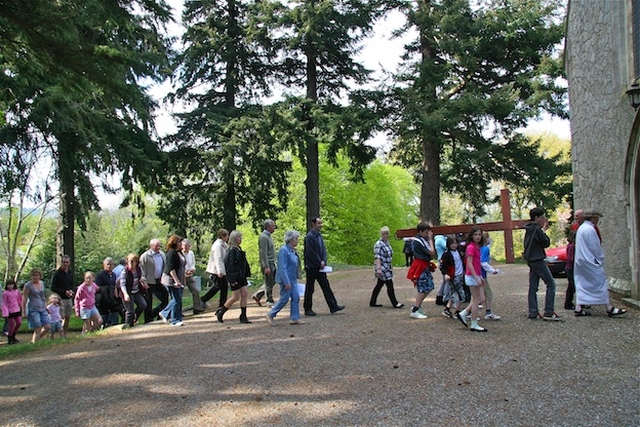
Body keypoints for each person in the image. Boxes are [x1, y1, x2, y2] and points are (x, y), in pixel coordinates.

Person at [573, 210, 627, 317]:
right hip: (590, 260)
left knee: (582, 283)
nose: (597, 220)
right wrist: (600, 258)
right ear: (593, 218)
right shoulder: (590, 229)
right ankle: (609, 308)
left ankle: (579, 307)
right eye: (596, 218)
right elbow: (595, 247)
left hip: (581, 261)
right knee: (600, 282)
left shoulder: (581, 228)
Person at [523, 207, 560, 320]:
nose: (544, 219)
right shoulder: (536, 229)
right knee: (551, 284)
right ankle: (549, 311)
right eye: (542, 217)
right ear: (536, 218)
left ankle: (533, 311)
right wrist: (544, 231)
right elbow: (545, 243)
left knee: (533, 287)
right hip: (538, 259)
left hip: (531, 260)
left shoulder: (529, 229)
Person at [303, 217, 345, 316]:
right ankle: (307, 309)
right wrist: (319, 262)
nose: (321, 225)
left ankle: (333, 306)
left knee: (325, 286)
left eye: (321, 223)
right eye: (319, 223)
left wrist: (324, 261)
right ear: (313, 224)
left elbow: (323, 250)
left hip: (320, 267)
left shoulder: (319, 236)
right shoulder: (309, 237)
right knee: (310, 288)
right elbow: (310, 252)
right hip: (312, 267)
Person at [266, 230, 305, 326]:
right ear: (290, 240)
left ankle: (294, 318)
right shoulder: (283, 250)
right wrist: (286, 282)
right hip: (286, 279)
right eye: (296, 239)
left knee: (296, 297)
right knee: (284, 298)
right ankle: (271, 314)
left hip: (293, 279)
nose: (297, 241)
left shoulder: (292, 250)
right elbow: (282, 268)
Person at [454, 226, 488, 332]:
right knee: (477, 299)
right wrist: (476, 277)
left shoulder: (477, 247)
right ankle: (474, 323)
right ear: (471, 236)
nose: (478, 236)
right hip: (472, 276)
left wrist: (480, 276)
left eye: (479, 234)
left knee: (481, 298)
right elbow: (469, 264)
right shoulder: (471, 247)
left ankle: (464, 313)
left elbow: (477, 264)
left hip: (476, 275)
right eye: (475, 234)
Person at [215, 230, 252, 323]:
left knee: (244, 294)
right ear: (234, 238)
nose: (240, 239)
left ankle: (243, 315)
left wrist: (246, 273)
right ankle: (221, 312)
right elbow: (230, 266)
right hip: (235, 277)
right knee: (235, 297)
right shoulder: (231, 250)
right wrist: (231, 279)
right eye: (239, 237)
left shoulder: (239, 249)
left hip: (241, 276)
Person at [406, 221, 436, 319]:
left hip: (424, 266)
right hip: (421, 266)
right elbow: (431, 252)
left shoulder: (422, 239)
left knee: (429, 286)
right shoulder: (418, 241)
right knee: (422, 288)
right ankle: (415, 309)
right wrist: (431, 239)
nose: (428, 234)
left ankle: (417, 306)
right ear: (420, 231)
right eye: (426, 232)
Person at [370, 226, 403, 308]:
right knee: (389, 284)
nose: (386, 235)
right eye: (384, 234)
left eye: (387, 233)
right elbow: (377, 257)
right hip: (382, 268)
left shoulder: (387, 243)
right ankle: (395, 303)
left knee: (379, 285)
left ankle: (372, 302)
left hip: (388, 267)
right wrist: (378, 269)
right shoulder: (379, 244)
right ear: (381, 234)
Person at [159, 235, 186, 327]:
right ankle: (174, 320)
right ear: (174, 243)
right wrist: (176, 281)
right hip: (170, 279)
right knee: (176, 299)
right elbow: (171, 269)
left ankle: (165, 313)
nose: (181, 243)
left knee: (177, 299)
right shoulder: (171, 253)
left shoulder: (179, 252)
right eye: (179, 242)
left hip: (178, 278)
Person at [139, 238, 168, 323]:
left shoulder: (162, 254)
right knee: (148, 301)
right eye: (156, 246)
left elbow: (164, 266)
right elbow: (141, 269)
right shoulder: (145, 256)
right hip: (149, 281)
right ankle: (148, 319)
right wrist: (144, 281)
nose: (158, 247)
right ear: (151, 246)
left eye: (159, 245)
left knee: (165, 297)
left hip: (159, 280)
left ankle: (156, 313)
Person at [118, 253, 148, 328]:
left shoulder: (138, 269)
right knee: (129, 311)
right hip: (127, 292)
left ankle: (135, 317)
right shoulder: (125, 271)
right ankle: (127, 326)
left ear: (136, 262)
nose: (130, 264)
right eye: (129, 262)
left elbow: (141, 277)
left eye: (132, 262)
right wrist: (125, 294)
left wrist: (144, 282)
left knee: (143, 305)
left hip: (136, 291)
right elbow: (122, 284)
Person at [202, 229, 229, 309]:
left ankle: (223, 303)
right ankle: (203, 299)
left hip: (222, 269)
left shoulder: (223, 244)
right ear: (223, 236)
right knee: (217, 286)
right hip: (216, 270)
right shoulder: (217, 245)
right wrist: (220, 271)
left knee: (224, 286)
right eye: (227, 236)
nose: (228, 237)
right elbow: (218, 258)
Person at [252, 219, 277, 307]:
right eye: (273, 226)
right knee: (269, 282)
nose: (274, 227)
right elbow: (263, 252)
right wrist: (266, 266)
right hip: (268, 263)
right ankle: (269, 300)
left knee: (273, 280)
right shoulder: (263, 237)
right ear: (268, 227)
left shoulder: (268, 236)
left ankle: (258, 295)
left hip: (272, 262)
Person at [440, 235, 465, 319]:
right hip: (453, 276)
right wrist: (446, 274)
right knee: (460, 294)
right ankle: (457, 312)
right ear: (448, 244)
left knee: (454, 293)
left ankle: (447, 309)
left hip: (460, 275)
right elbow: (442, 266)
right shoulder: (446, 255)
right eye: (452, 244)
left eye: (455, 243)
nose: (454, 245)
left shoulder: (459, 252)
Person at [22, 268, 51, 343]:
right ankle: (35, 344)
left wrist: (46, 306)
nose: (35, 277)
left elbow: (43, 296)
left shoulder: (41, 283)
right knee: (38, 327)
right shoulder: (28, 285)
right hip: (33, 308)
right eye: (33, 276)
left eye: (36, 275)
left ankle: (34, 340)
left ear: (39, 276)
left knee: (47, 327)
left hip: (42, 307)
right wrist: (24, 311)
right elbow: (24, 298)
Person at [50, 255, 75, 339]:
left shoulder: (70, 273)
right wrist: (64, 292)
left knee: (67, 317)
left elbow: (72, 284)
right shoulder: (57, 274)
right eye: (64, 262)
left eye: (67, 262)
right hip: (60, 299)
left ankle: (64, 335)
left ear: (69, 263)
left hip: (68, 299)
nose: (65, 264)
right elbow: (53, 287)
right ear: (61, 263)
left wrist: (71, 290)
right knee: (60, 318)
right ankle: (52, 335)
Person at [480, 232, 501, 320]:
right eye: (488, 238)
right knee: (487, 294)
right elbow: (483, 263)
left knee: (481, 295)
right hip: (482, 276)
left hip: (479, 275)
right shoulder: (485, 249)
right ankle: (467, 312)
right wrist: (493, 271)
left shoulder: (480, 248)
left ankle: (488, 312)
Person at [95, 257, 121, 327]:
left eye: (111, 264)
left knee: (115, 310)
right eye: (108, 264)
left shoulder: (113, 275)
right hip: (103, 299)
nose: (109, 266)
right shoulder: (100, 275)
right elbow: (96, 287)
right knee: (104, 315)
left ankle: (114, 325)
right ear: (104, 265)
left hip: (111, 298)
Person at [182, 239, 204, 315]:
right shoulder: (180, 254)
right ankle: (178, 310)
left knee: (195, 290)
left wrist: (192, 269)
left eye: (187, 246)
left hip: (189, 275)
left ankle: (197, 308)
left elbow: (193, 263)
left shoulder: (191, 253)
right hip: (182, 276)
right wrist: (185, 271)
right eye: (184, 245)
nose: (185, 247)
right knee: (180, 293)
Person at [2, 279, 22, 344]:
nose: (10, 286)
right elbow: (4, 303)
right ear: (6, 285)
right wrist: (5, 313)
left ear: (14, 285)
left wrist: (22, 307)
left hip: (17, 309)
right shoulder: (5, 293)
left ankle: (13, 334)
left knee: (19, 323)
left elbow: (20, 300)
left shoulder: (16, 291)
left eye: (11, 284)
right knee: (12, 324)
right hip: (10, 311)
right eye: (8, 285)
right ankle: (9, 337)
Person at [434, 234, 448, 305]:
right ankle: (445, 299)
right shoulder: (440, 239)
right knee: (446, 281)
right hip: (443, 260)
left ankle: (440, 297)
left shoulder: (439, 239)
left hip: (442, 259)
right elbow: (447, 246)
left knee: (445, 281)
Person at [564, 232, 576, 310]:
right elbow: (571, 259)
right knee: (572, 286)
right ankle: (568, 303)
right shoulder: (572, 247)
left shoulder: (570, 246)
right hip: (570, 268)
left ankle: (568, 303)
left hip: (568, 268)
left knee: (571, 286)